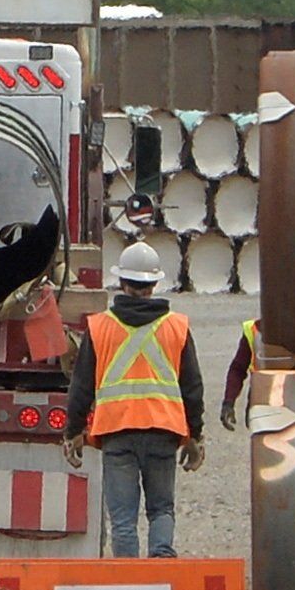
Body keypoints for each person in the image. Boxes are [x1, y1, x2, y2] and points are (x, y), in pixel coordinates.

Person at [63, 235, 204, 558]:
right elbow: (192, 388)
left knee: (123, 519)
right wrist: (196, 435)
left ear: (122, 282)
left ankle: (130, 584)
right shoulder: (177, 327)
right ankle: (162, 569)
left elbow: (81, 387)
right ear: (154, 284)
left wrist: (72, 433)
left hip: (117, 434)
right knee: (161, 510)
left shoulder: (99, 328)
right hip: (164, 432)